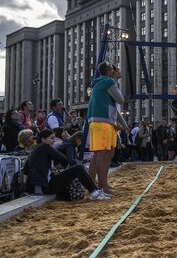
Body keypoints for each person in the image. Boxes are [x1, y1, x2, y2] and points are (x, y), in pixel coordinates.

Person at [23, 129, 110, 201]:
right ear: (43, 139)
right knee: (78, 168)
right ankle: (94, 192)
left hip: (34, 188)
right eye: (51, 138)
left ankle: (90, 192)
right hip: (44, 187)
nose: (54, 140)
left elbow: (26, 170)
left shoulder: (33, 150)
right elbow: (64, 160)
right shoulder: (45, 146)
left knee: (61, 179)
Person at [87, 62, 129, 195]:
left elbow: (114, 110)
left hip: (100, 121)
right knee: (102, 154)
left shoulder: (99, 83)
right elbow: (121, 100)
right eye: (114, 69)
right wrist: (115, 82)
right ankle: (102, 186)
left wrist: (124, 125)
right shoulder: (108, 82)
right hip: (102, 121)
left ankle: (94, 183)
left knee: (103, 153)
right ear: (110, 71)